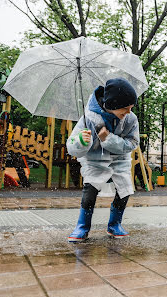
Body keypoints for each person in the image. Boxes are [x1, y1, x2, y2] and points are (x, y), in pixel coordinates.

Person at [66, 77, 139, 242]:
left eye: (131, 108)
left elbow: (133, 143)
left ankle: (115, 224)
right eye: (125, 108)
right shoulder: (88, 118)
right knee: (90, 190)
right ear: (112, 105)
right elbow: (71, 146)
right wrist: (81, 142)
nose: (129, 112)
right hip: (95, 160)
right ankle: (82, 227)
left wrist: (108, 139)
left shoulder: (131, 119)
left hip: (120, 159)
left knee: (124, 189)